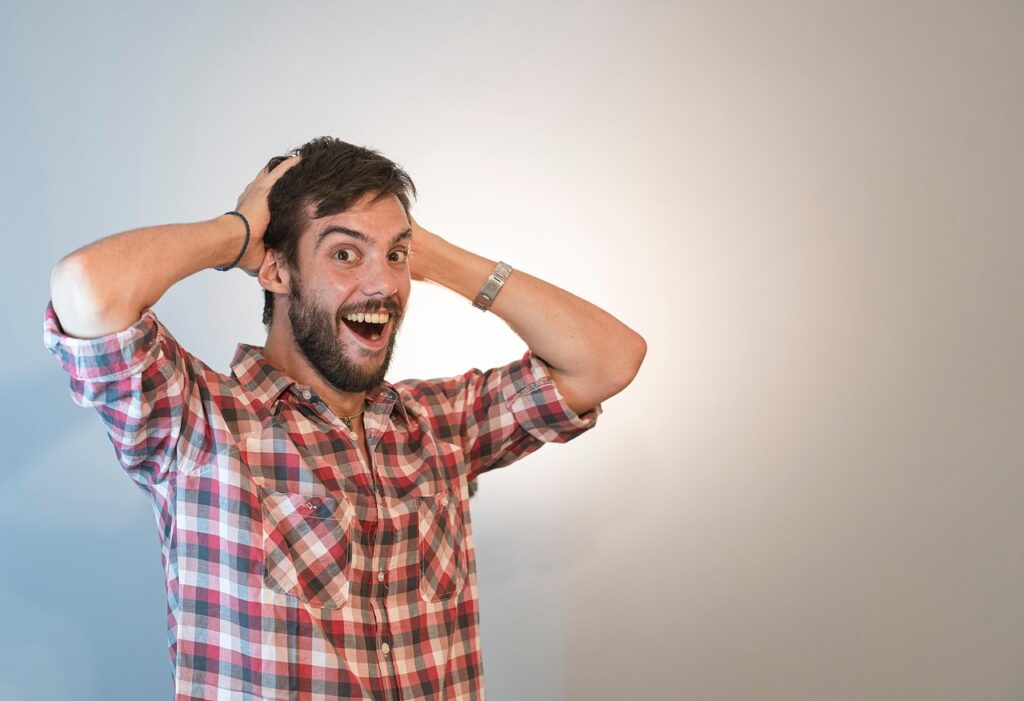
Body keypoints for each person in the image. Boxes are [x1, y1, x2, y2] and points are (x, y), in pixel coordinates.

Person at [44, 136, 646, 700]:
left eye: (395, 256)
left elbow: (607, 360)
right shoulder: (198, 423)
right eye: (344, 254)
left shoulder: (440, 424)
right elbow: (87, 288)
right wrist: (240, 232)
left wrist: (432, 257)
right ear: (277, 271)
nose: (383, 282)